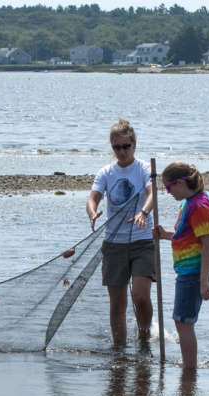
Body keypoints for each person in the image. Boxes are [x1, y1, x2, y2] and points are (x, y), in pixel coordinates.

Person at [87, 118, 156, 347]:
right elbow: (93, 197)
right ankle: (119, 347)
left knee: (140, 295)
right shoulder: (106, 172)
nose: (122, 151)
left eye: (126, 146)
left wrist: (144, 213)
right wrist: (93, 211)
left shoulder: (144, 168)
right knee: (117, 302)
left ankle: (144, 338)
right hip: (114, 243)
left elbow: (151, 193)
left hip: (142, 239)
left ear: (134, 145)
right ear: (112, 147)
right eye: (117, 147)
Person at [153, 162, 209, 369]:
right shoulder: (187, 203)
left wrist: (204, 282)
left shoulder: (199, 206)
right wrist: (165, 236)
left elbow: (208, 242)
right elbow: (188, 237)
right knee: (181, 321)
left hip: (196, 271)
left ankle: (189, 371)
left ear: (180, 183)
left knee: (184, 322)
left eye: (168, 187)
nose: (167, 192)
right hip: (189, 270)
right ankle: (189, 366)